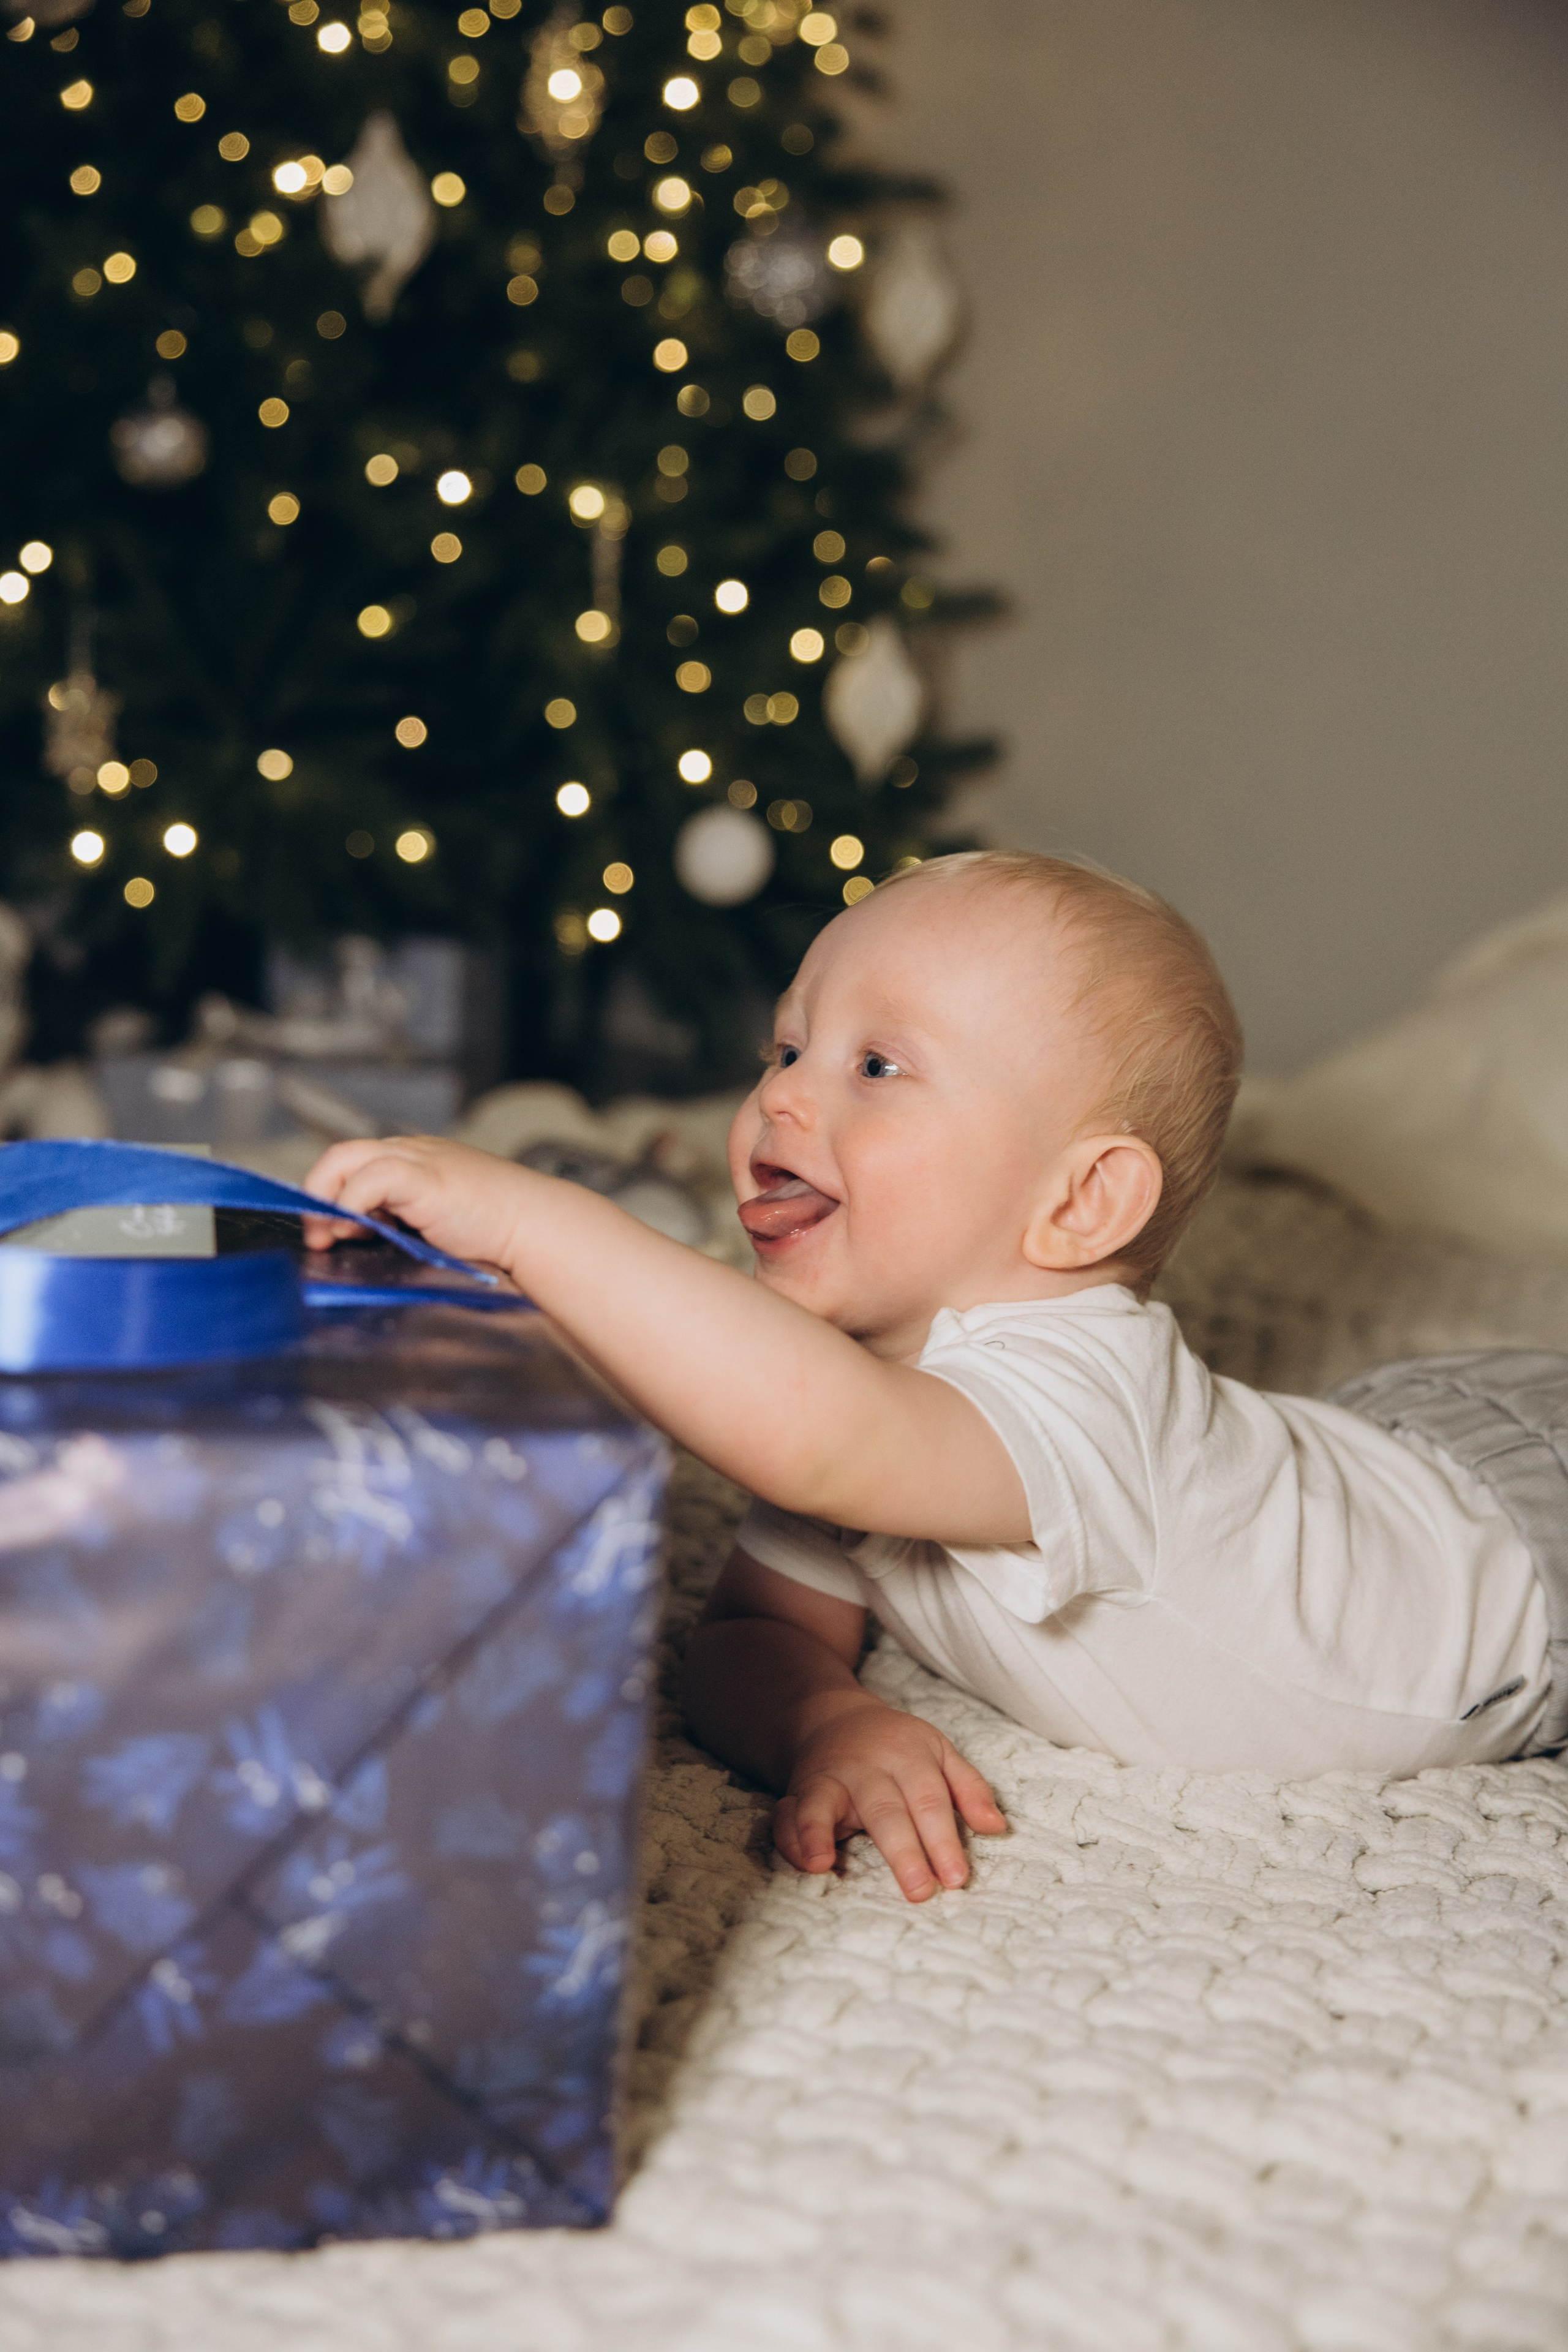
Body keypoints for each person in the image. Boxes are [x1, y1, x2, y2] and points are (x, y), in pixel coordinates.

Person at [303, 852, 1568, 1907]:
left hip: (1519, 1549)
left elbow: (813, 1438)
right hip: (1376, 1447)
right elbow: (751, 1630)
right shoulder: (864, 1383)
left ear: (1078, 1203)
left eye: (875, 1068)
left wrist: (531, 1221)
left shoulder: (1074, 1390)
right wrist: (823, 1721)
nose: (781, 1097)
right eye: (785, 1047)